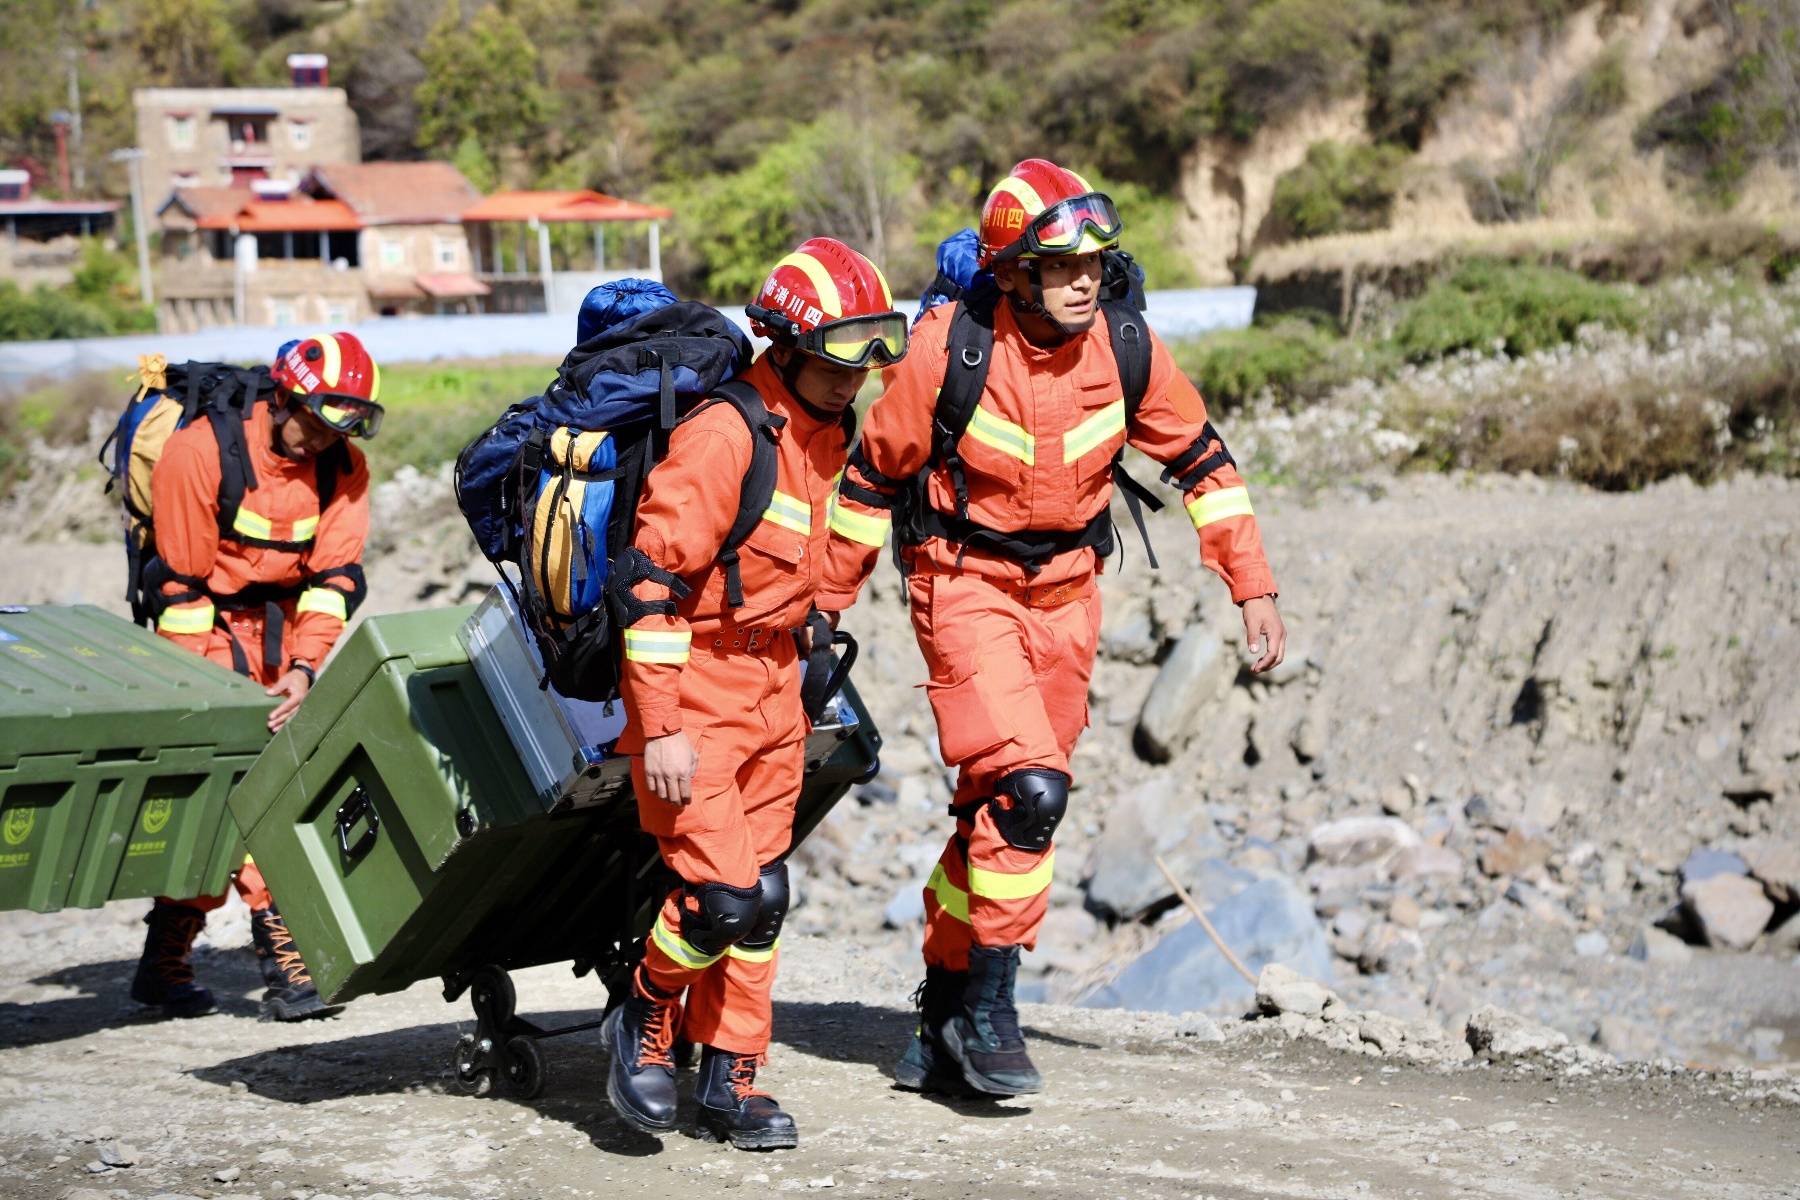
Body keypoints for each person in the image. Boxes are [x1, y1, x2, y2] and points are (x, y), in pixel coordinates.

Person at [819, 159, 1287, 1097]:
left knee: (992, 807)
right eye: (1061, 263)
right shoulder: (948, 350)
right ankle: (994, 1009)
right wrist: (823, 608)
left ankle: (944, 1005)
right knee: (1029, 793)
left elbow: (1204, 461)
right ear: (1012, 271)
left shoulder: (1126, 342)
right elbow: (869, 480)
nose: (1086, 278)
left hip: (1070, 591)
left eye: (1095, 263)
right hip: (961, 581)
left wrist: (1253, 587)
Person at [603, 238, 907, 1149]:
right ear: (787, 344)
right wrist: (658, 727)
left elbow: (821, 564)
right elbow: (649, 583)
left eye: (870, 352)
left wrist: (814, 655)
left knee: (765, 895)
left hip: (779, 685)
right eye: (839, 354)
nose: (856, 375)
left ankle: (733, 1075)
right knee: (721, 897)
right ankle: (645, 1014)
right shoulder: (725, 435)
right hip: (695, 693)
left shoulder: (828, 433)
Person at [129, 332, 380, 1023]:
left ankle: (164, 959)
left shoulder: (342, 469)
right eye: (316, 424)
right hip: (199, 628)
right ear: (283, 398)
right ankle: (283, 952)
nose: (323, 443)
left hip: (284, 637)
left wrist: (303, 667)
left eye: (342, 430)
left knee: (247, 788)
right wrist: (201, 694)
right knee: (241, 777)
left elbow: (334, 581)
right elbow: (178, 586)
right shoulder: (198, 452)